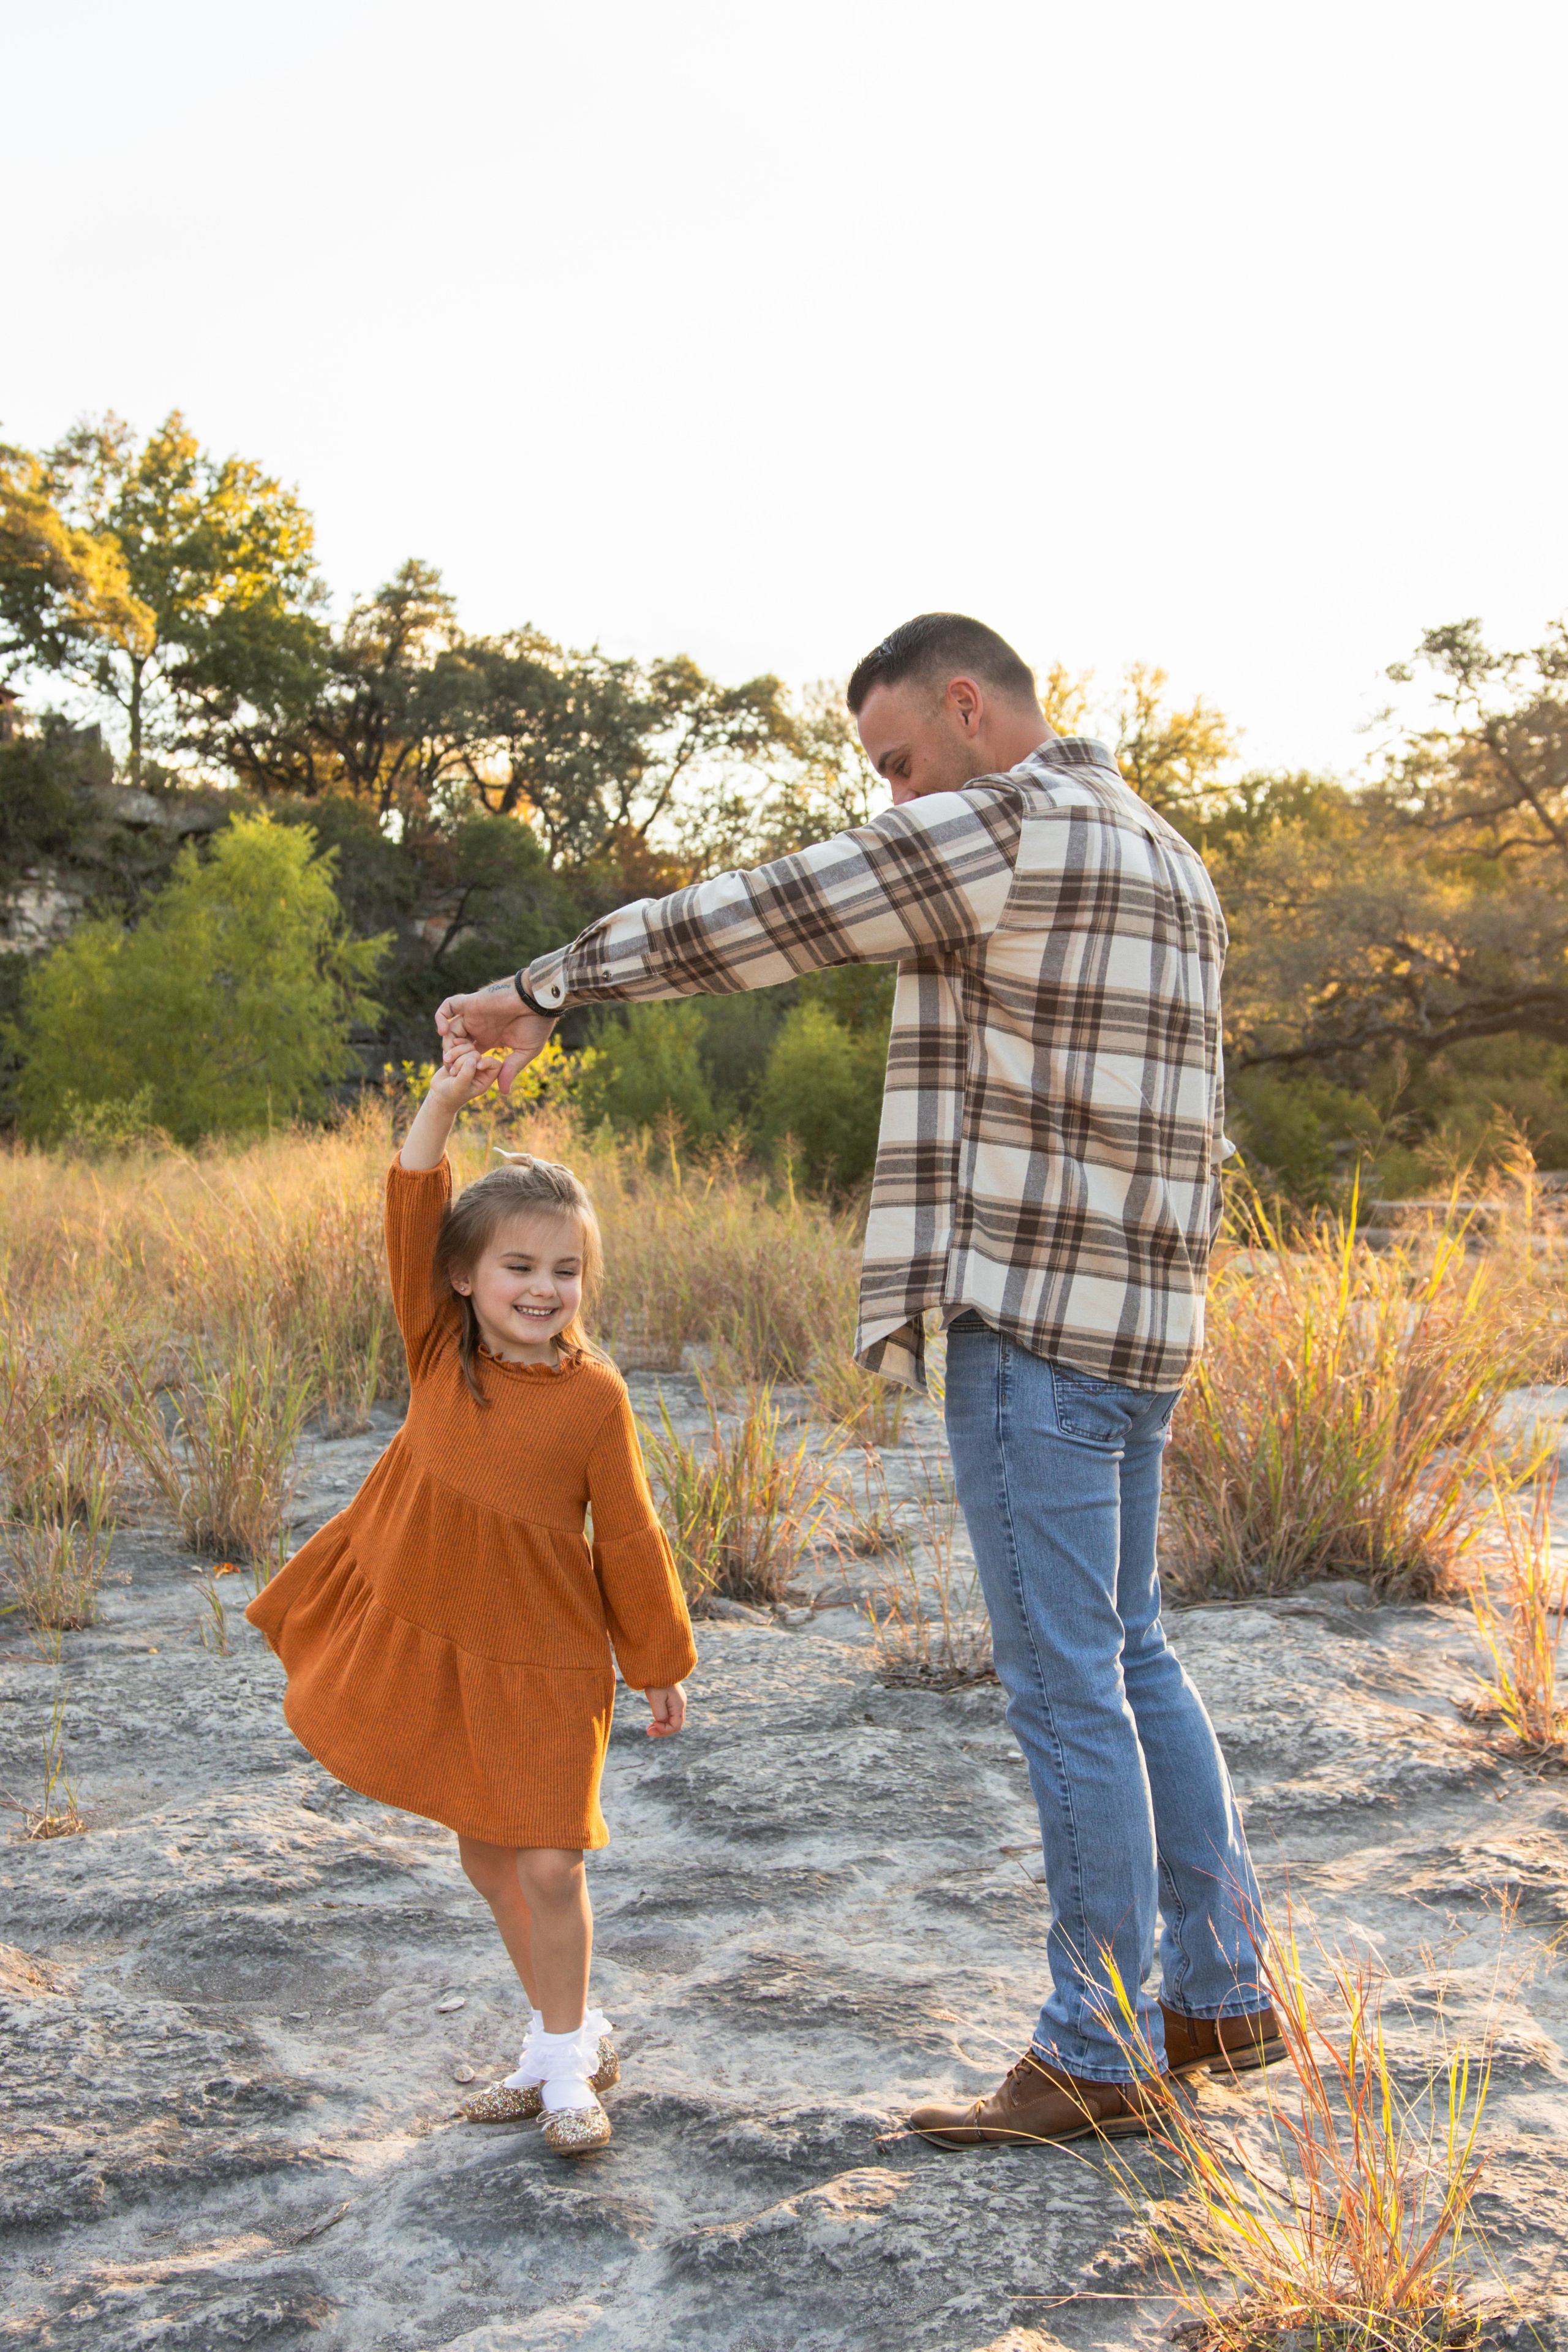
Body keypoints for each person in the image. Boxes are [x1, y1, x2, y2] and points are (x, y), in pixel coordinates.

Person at [435, 611, 1281, 2150]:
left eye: (897, 760)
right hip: (1150, 1328)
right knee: (1135, 1653)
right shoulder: (1167, 852)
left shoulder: (1009, 824)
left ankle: (1096, 2051)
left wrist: (541, 987)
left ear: (967, 707)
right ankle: (1217, 1995)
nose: (894, 798)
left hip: (1032, 1328)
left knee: (1068, 1686)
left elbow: (761, 915)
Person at [246, 1044, 696, 2157]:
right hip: (445, 1635)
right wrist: (443, 1099)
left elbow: (629, 1534)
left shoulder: (596, 1396)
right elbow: (411, 1205)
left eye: (566, 1271)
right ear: (464, 1277)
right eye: (518, 1268)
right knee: (487, 1858)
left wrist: (659, 1660)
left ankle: (566, 2071)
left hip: (548, 1660)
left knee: (549, 1859)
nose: (544, 1290)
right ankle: (566, 2043)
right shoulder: (439, 1351)